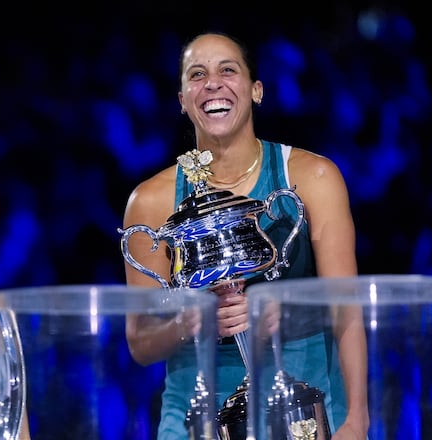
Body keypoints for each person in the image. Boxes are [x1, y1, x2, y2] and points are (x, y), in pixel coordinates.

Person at [122, 32, 369, 439]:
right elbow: (140, 344)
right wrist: (193, 321)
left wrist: (356, 419)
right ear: (182, 100)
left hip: (307, 408)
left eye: (228, 70)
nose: (213, 83)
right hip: (196, 414)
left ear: (256, 91)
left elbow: (347, 309)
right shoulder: (150, 201)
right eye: (197, 74)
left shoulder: (313, 178)